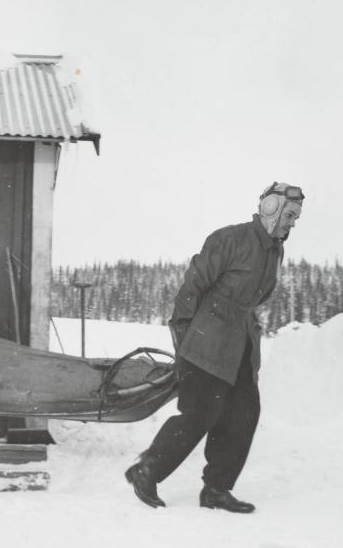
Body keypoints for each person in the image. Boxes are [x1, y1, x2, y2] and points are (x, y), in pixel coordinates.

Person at [125, 182, 304, 513]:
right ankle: (147, 470)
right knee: (200, 413)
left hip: (240, 344)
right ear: (271, 208)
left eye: (296, 217)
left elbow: (256, 298)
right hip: (208, 339)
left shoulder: (275, 250)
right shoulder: (230, 238)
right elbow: (193, 285)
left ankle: (217, 489)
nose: (292, 222)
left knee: (243, 413)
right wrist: (182, 333)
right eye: (290, 215)